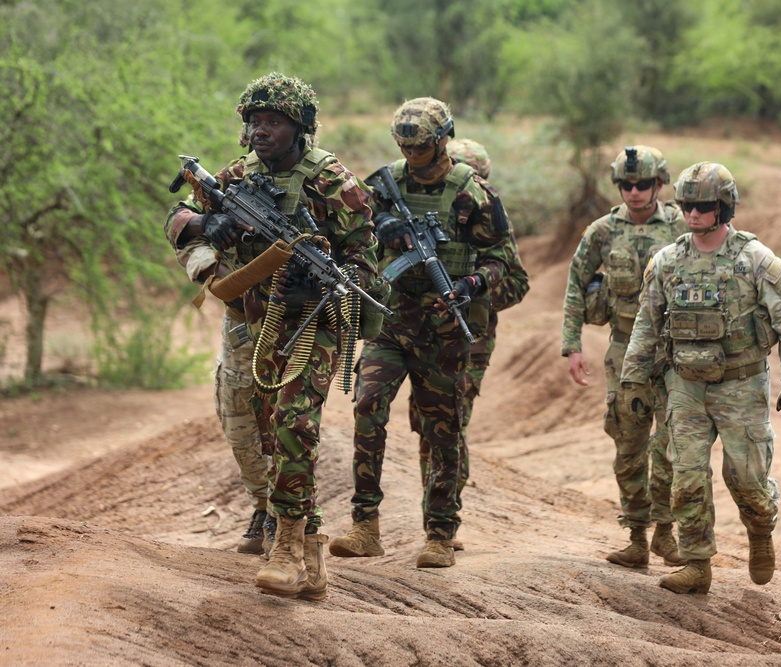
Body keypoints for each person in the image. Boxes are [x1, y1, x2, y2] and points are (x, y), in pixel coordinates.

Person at [165, 72, 381, 600]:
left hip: (316, 323)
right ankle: (311, 551)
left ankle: (284, 548)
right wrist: (206, 227)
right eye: (255, 121)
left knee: (295, 422)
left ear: (300, 129)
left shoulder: (335, 183)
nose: (261, 131)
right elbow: (177, 217)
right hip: (261, 322)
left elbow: (367, 269)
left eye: (274, 122)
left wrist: (323, 281)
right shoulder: (238, 175)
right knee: (269, 436)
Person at [329, 98, 510, 569]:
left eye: (422, 147)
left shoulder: (473, 193)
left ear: (443, 140)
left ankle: (440, 534)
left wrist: (472, 284)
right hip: (390, 321)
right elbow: (352, 235)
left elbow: (502, 260)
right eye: (405, 147)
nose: (412, 155)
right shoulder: (383, 184)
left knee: (442, 429)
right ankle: (365, 526)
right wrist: (383, 227)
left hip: (445, 331)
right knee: (367, 406)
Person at [621, 161, 781, 595]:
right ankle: (696, 563)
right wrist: (633, 379)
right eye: (686, 206)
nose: (693, 214)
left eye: (703, 206)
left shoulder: (755, 260)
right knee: (686, 476)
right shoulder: (668, 261)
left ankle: (760, 529)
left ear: (724, 207)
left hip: (741, 383)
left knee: (746, 478)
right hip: (685, 384)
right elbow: (646, 324)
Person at [561, 146, 687, 569]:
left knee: (670, 444)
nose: (634, 191)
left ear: (659, 184)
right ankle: (636, 536)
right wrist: (572, 345)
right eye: (627, 184)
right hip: (624, 350)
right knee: (629, 443)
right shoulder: (602, 231)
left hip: (672, 352)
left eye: (643, 184)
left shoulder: (680, 226)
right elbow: (576, 285)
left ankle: (666, 532)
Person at [405, 139, 530, 549]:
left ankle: (442, 520)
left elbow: (517, 282)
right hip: (423, 332)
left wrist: (474, 293)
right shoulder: (429, 218)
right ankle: (434, 510)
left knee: (451, 421)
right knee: (425, 423)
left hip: (470, 338)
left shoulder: (489, 221)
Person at [170, 242, 275, 556]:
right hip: (241, 327)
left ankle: (285, 517)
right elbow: (181, 231)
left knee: (290, 426)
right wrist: (218, 271)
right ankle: (263, 507)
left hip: (294, 327)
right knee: (238, 426)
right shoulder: (222, 210)